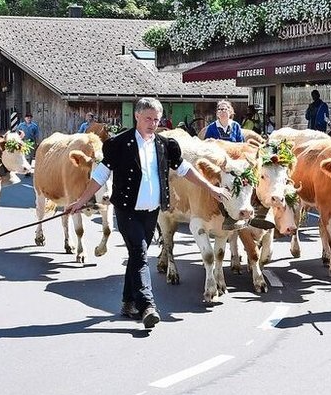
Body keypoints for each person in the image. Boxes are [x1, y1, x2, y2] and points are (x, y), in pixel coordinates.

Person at [63, 97, 232, 329]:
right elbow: (100, 176)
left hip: (151, 211)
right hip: (126, 210)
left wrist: (210, 188)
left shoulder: (164, 145)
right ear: (137, 117)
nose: (152, 123)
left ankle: (127, 302)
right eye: (148, 118)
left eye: (156, 119)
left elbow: (185, 170)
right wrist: (81, 201)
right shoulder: (119, 144)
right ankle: (147, 306)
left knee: (135, 256)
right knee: (141, 254)